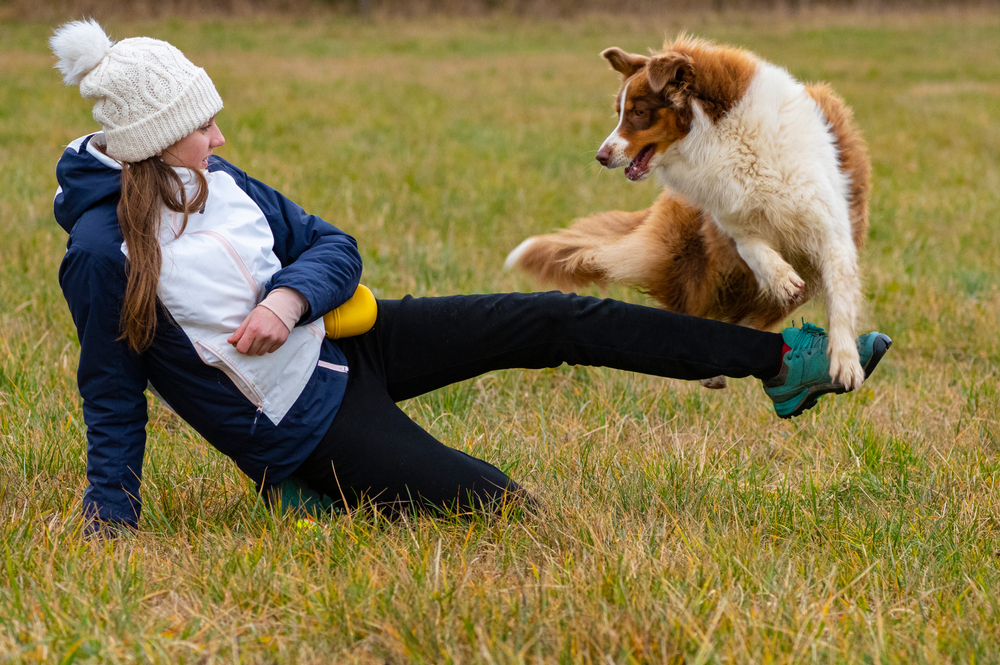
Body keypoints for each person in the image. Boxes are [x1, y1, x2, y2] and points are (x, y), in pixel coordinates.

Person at [50, 20, 891, 534]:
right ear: (153, 138)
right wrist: (111, 515)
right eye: (203, 125)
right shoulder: (100, 254)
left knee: (555, 320)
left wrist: (288, 294)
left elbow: (333, 245)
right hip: (304, 421)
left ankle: (786, 368)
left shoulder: (216, 182)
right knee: (502, 508)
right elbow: (112, 387)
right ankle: (302, 484)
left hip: (355, 335)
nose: (223, 136)